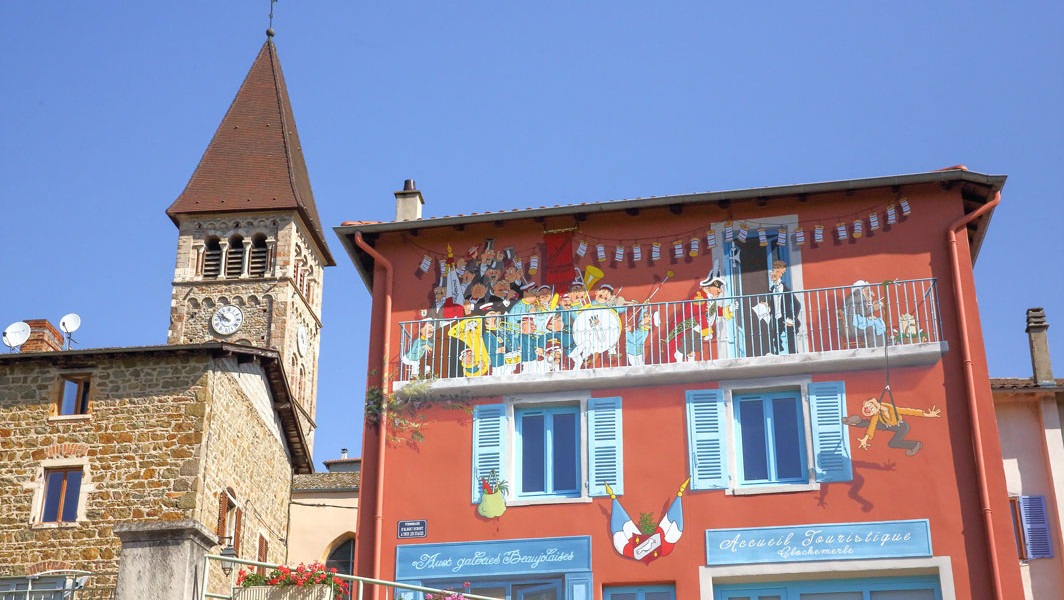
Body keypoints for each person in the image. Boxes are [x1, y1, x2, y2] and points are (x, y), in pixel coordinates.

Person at [843, 397, 940, 456]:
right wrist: (865, 438)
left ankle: (915, 444)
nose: (870, 410)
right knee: (869, 423)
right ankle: (855, 422)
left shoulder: (892, 409)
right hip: (886, 425)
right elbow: (872, 425)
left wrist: (927, 414)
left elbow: (910, 411)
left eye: (871, 408)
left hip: (901, 427)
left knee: (892, 443)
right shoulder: (877, 414)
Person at [755, 260, 802, 355]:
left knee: (791, 340)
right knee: (775, 338)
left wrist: (791, 319)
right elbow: (774, 305)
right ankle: (778, 353)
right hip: (777, 319)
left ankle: (794, 355)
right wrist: (767, 306)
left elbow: (797, 305)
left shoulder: (785, 289)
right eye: (772, 271)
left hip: (786, 318)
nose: (772, 274)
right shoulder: (772, 290)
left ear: (780, 273)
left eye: (776, 271)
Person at [843, 279, 887, 347]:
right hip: (853, 327)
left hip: (850, 325)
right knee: (875, 325)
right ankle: (878, 346)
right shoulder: (860, 297)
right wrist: (873, 308)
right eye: (867, 290)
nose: (868, 292)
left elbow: (860, 312)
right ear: (861, 289)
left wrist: (871, 306)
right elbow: (863, 313)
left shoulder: (853, 296)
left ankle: (876, 345)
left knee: (874, 322)